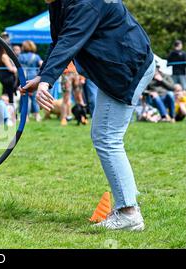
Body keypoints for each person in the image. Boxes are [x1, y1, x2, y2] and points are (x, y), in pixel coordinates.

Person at [22, 0, 156, 231]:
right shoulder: (59, 3)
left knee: (107, 138)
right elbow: (59, 41)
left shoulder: (87, 3)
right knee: (105, 136)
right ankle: (127, 203)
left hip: (128, 68)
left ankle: (128, 213)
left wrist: (47, 82)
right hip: (115, 69)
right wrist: (43, 76)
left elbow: (70, 40)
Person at [18, 40, 43, 122]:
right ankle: (37, 116)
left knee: (23, 97)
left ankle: (26, 116)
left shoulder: (20, 56)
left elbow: (17, 66)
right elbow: (42, 65)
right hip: (34, 78)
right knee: (34, 97)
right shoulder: (36, 56)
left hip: (24, 78)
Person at [60, 62, 87, 126]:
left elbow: (82, 61)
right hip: (66, 73)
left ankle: (83, 117)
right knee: (66, 98)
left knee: (79, 98)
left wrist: (82, 77)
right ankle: (64, 118)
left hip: (77, 73)